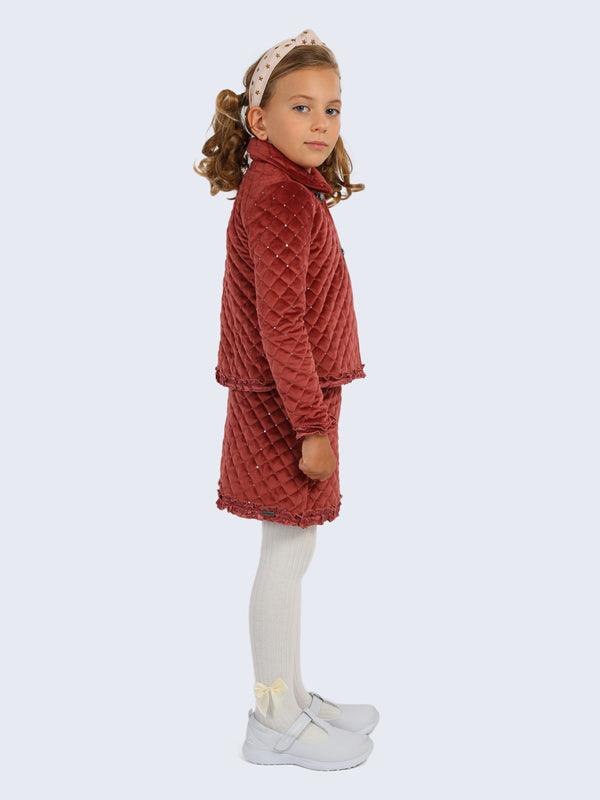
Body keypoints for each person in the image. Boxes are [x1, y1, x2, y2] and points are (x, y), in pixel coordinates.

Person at [194, 28, 379, 770]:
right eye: (301, 107)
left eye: (332, 109)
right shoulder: (280, 199)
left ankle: (292, 698)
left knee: (291, 550)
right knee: (287, 552)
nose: (321, 123)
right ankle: (273, 719)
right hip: (284, 405)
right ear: (259, 120)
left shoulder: (287, 191)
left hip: (289, 395)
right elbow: (283, 324)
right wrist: (311, 425)